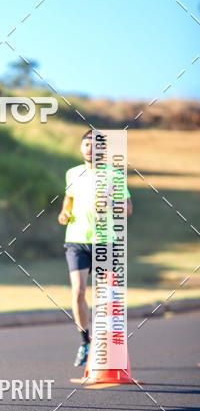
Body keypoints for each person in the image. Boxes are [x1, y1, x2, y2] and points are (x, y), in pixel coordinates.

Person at [58, 129, 132, 367]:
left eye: (95, 144)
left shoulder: (114, 175)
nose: (90, 148)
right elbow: (68, 198)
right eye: (86, 143)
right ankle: (84, 342)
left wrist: (112, 203)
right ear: (81, 148)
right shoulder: (72, 173)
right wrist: (64, 212)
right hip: (76, 240)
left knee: (104, 297)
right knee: (78, 292)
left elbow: (128, 208)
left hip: (104, 241)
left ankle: (105, 344)